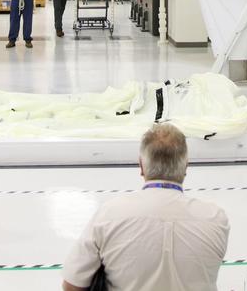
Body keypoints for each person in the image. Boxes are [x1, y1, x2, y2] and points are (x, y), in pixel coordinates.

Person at [62, 123, 229, 291]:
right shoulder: (216, 218)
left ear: (141, 166)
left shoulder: (110, 214)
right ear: (186, 167)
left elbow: (72, 285)